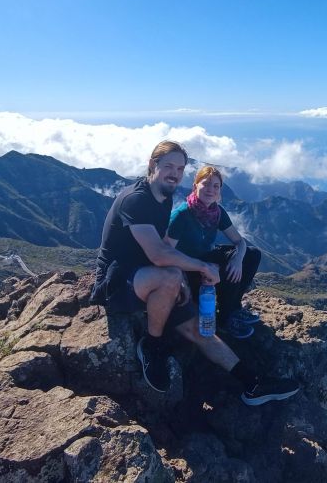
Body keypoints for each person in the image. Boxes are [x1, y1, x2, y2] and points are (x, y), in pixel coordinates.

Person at [91, 140, 299, 406]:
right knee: (169, 279)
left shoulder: (163, 197)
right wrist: (199, 268)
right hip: (117, 280)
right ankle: (151, 346)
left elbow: (160, 256)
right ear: (152, 165)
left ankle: (252, 383)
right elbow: (158, 254)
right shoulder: (137, 200)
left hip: (149, 275)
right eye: (168, 166)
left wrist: (180, 277)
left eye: (180, 168)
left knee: (200, 329)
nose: (174, 173)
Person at [165, 166, 262, 339]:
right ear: (195, 186)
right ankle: (225, 321)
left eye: (216, 186)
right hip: (188, 267)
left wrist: (238, 260)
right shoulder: (182, 215)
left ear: (219, 191)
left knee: (252, 254)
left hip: (207, 258)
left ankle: (232, 308)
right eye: (206, 184)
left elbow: (240, 242)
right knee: (224, 266)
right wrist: (189, 274)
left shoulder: (217, 212)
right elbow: (166, 253)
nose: (211, 189)